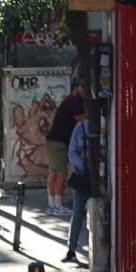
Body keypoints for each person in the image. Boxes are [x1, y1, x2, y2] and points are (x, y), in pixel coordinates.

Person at [44, 81, 87, 214]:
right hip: (59, 143)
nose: (86, 91)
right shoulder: (74, 102)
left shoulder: (70, 100)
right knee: (61, 174)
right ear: (78, 87)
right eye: (84, 87)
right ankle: (57, 206)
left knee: (54, 173)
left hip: (52, 140)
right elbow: (83, 122)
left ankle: (52, 206)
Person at [61, 111, 92, 264]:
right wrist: (80, 167)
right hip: (82, 177)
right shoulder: (81, 128)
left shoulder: (107, 126)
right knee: (78, 213)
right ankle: (71, 249)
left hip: (100, 178)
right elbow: (72, 151)